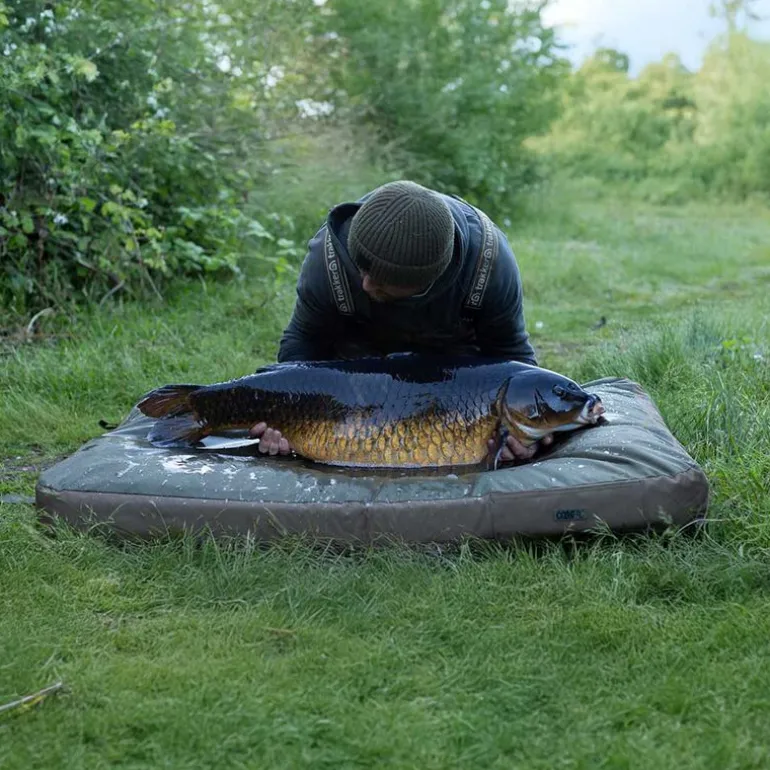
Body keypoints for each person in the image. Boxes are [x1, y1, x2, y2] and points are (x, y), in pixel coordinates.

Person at [250, 180, 553, 463]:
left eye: (383, 282)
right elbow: (303, 342)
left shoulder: (490, 265)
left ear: (426, 281)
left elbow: (512, 355)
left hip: (456, 383)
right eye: (362, 268)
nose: (366, 285)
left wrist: (526, 430)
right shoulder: (328, 258)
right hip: (354, 379)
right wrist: (287, 415)